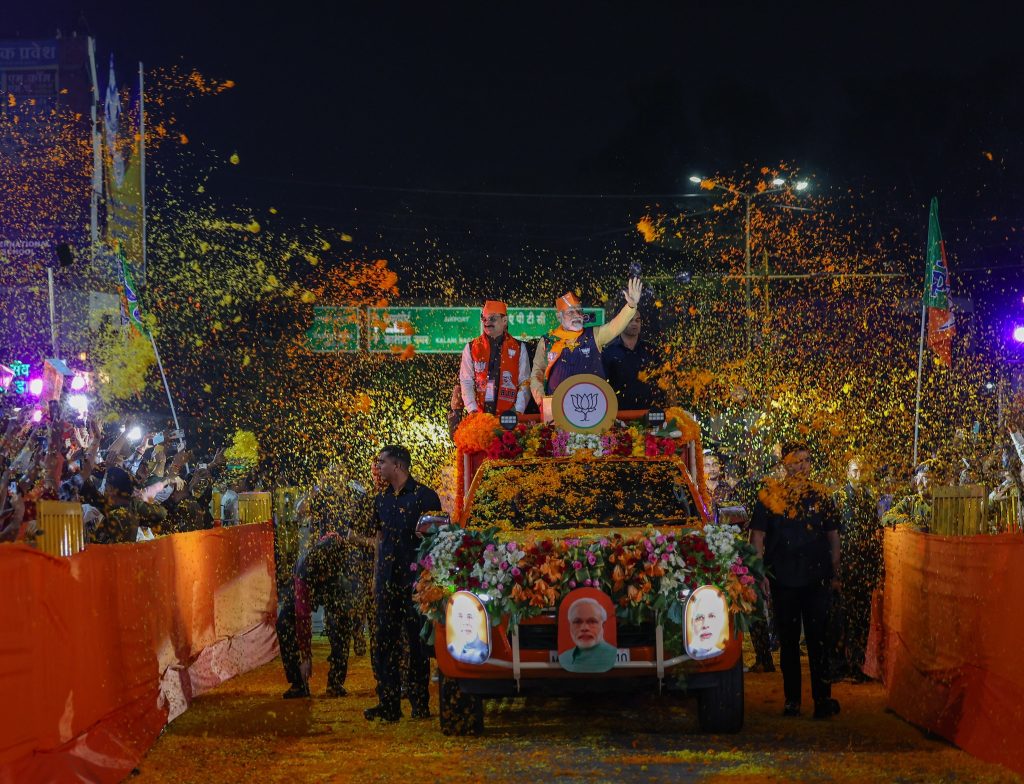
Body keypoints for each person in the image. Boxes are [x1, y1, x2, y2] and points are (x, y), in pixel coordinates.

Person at [749, 442, 841, 720]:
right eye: (796, 461)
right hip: (784, 580)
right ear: (785, 465)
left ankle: (822, 698)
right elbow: (756, 538)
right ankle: (792, 700)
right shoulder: (769, 496)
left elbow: (834, 537)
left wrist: (836, 573)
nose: (801, 465)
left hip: (816, 580)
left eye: (806, 460)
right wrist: (760, 572)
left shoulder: (822, 496)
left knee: (818, 640)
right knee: (788, 642)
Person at [364, 445, 442, 723]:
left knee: (417, 642)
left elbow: (436, 541)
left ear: (397, 465)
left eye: (382, 461)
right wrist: (376, 579)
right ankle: (388, 704)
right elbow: (379, 540)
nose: (378, 466)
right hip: (387, 582)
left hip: (415, 583)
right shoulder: (381, 500)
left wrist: (430, 582)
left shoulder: (424, 496)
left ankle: (420, 703)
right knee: (385, 643)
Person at [530, 277, 643, 403]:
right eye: (570, 312)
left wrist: (631, 306)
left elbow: (614, 327)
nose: (577, 315)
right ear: (559, 317)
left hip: (593, 407)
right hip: (558, 409)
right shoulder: (548, 341)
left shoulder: (594, 335)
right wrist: (541, 401)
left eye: (579, 311)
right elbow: (537, 374)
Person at [277, 530, 356, 699]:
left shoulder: (341, 557)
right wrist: (305, 656)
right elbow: (302, 616)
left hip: (335, 585)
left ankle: (335, 682)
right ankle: (298, 683)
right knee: (284, 622)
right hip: (309, 581)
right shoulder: (304, 569)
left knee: (341, 624)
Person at [830, 457, 882, 682]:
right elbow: (831, 534)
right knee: (841, 616)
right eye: (854, 470)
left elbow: (874, 532)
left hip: (863, 565)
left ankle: (858, 664)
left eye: (862, 470)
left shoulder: (870, 498)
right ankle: (839, 664)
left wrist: (875, 566)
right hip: (844, 564)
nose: (858, 474)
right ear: (847, 472)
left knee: (861, 617)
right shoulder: (838, 498)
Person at [459, 300, 530, 415]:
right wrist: (472, 409)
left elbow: (525, 382)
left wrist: (518, 410)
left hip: (509, 416)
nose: (487, 322)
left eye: (492, 318)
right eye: (484, 318)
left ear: (504, 321)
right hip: (479, 415)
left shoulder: (518, 347)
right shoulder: (471, 347)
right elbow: (466, 381)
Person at [601, 310, 660, 411]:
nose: (634, 324)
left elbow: (663, 380)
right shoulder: (608, 352)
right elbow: (603, 385)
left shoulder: (651, 350)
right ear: (621, 322)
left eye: (638, 320)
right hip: (619, 413)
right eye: (630, 320)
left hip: (649, 412)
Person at [91, 465, 167, 544]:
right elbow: (162, 513)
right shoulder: (132, 508)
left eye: (106, 486)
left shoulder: (116, 516)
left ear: (111, 489)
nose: (104, 490)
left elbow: (96, 547)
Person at [558, 597, 618, 673]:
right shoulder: (564, 658)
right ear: (570, 626)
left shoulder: (614, 656)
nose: (584, 628)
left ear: (603, 626)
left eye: (592, 621)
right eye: (577, 622)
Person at [685, 586, 729, 659]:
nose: (705, 625)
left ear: (721, 621)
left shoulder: (723, 654)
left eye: (711, 616)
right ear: (691, 623)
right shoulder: (687, 653)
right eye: (699, 618)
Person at [446, 592, 490, 664]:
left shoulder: (483, 652)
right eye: (460, 616)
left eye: (470, 616)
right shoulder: (451, 649)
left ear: (478, 619)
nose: (465, 622)